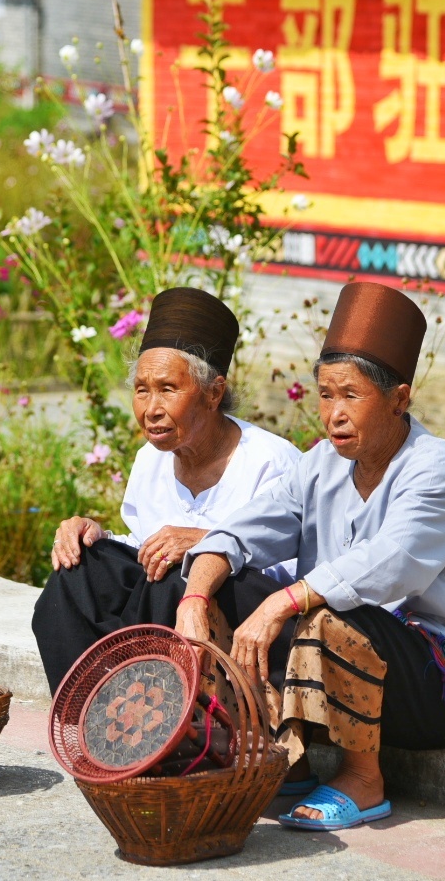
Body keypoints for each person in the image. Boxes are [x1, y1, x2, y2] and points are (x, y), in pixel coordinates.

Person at [177, 281, 445, 832]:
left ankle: (363, 781)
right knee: (223, 587)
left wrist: (283, 602)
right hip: (336, 666)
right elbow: (240, 532)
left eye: (351, 395)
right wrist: (193, 596)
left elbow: (388, 565)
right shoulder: (320, 465)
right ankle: (280, 757)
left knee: (332, 616)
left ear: (398, 400)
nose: (333, 413)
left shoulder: (436, 470)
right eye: (326, 395)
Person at [31, 287, 301, 694]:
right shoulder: (150, 458)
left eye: (168, 389)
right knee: (79, 570)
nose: (150, 408)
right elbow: (143, 544)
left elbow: (295, 574)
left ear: (213, 393)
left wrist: (209, 544)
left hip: (247, 625)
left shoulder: (271, 461)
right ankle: (90, 711)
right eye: (142, 390)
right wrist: (93, 535)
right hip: (162, 606)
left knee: (178, 572)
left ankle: (159, 716)